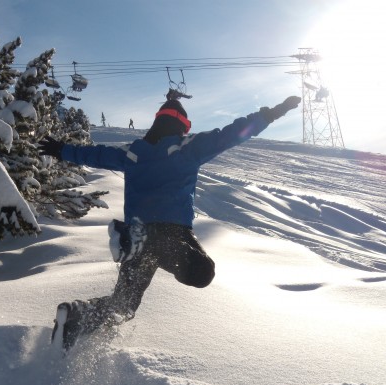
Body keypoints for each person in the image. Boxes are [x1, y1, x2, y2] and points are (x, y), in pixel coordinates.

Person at [39, 95, 301, 350]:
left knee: (124, 306)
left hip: (138, 230)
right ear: (182, 125)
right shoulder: (188, 147)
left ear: (157, 121)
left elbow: (96, 156)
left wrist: (60, 150)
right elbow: (232, 133)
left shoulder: (134, 152)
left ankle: (77, 317)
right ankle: (143, 242)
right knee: (201, 272)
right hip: (171, 231)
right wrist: (272, 113)